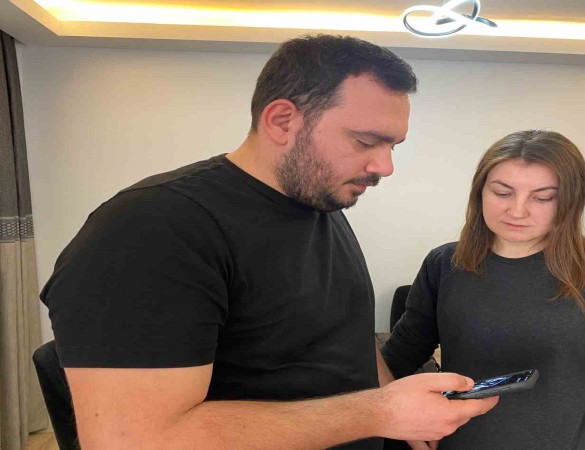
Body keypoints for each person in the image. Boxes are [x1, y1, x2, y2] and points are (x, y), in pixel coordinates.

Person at [40, 34, 497, 450]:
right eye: (365, 141)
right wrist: (378, 413)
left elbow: (348, 339)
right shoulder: (152, 229)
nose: (385, 167)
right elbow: (134, 441)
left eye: (392, 146)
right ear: (281, 121)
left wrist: (397, 409)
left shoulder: (321, 204)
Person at [381, 130, 585, 450]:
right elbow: (399, 357)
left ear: (569, 202)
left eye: (542, 197)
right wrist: (407, 429)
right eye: (502, 192)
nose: (517, 210)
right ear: (480, 192)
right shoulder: (444, 265)